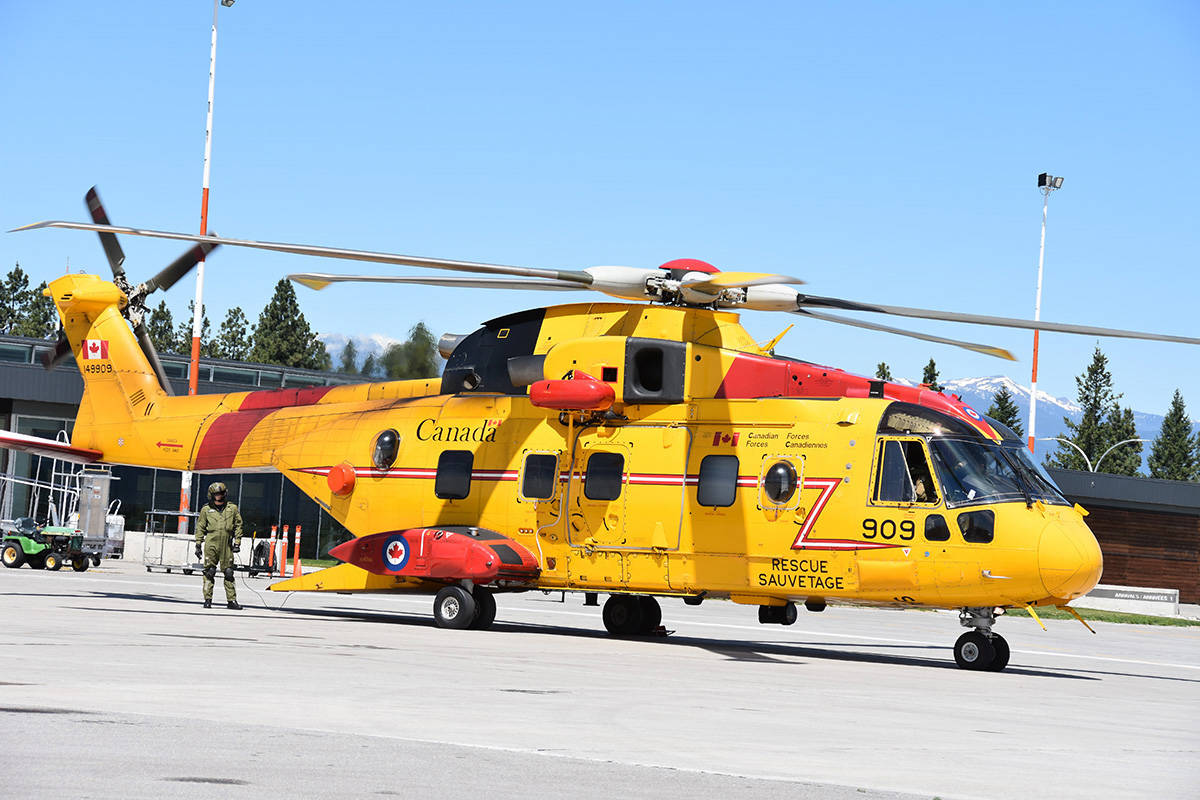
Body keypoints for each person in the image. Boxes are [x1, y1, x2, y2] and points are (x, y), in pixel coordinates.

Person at [194, 481, 244, 610]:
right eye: (216, 494)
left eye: (221, 493)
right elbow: (200, 526)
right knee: (209, 571)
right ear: (212, 495)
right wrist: (198, 544)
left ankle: (231, 601)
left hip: (226, 543)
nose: (219, 496)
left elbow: (238, 525)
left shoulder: (232, 508)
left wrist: (237, 542)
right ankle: (208, 599)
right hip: (211, 541)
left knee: (228, 572)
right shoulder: (206, 509)